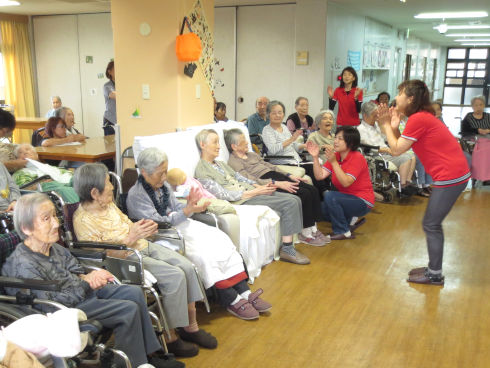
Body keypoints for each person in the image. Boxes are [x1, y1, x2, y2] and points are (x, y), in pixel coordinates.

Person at [2, 193, 181, 368]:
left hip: (80, 293)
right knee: (128, 310)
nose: (56, 224)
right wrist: (86, 283)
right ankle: (133, 363)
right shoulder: (23, 264)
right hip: (63, 310)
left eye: (55, 216)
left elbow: (75, 268)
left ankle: (147, 355)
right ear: (26, 229)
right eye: (46, 219)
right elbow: (50, 304)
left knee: (133, 291)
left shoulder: (53, 247)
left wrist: (88, 277)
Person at [72, 163, 217, 357]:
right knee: (175, 276)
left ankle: (190, 327)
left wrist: (143, 227)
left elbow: (126, 224)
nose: (113, 186)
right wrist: (130, 238)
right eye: (108, 183)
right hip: (123, 259)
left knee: (187, 266)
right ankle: (170, 337)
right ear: (94, 193)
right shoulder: (83, 220)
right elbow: (100, 254)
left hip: (140, 245)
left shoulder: (108, 205)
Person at [127, 148, 271, 320]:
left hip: (180, 224)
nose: (165, 177)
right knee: (203, 254)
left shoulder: (162, 185)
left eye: (166, 171)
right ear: (144, 172)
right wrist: (187, 211)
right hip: (162, 235)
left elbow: (175, 208)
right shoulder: (136, 195)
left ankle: (244, 292)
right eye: (160, 173)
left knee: (220, 239)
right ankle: (231, 299)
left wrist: (191, 206)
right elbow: (158, 223)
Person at [378, 79, 470, 286]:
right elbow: (405, 143)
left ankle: (435, 274)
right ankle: (432, 268)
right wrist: (393, 127)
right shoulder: (420, 117)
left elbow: (395, 150)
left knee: (431, 224)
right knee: (432, 224)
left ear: (410, 98)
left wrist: (385, 126)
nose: (397, 96)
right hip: (455, 173)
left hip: (451, 176)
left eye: (400, 93)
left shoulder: (419, 118)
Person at [194, 129, 309, 265]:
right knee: (289, 203)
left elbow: (240, 177)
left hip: (250, 191)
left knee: (295, 199)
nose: (219, 146)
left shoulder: (220, 164)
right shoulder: (202, 170)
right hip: (241, 199)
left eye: (219, 142)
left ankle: (290, 244)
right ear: (203, 145)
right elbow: (222, 194)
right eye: (215, 142)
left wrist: (259, 187)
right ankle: (287, 250)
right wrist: (255, 192)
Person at [225, 128, 328, 246]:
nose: (247, 143)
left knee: (312, 190)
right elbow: (251, 180)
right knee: (303, 193)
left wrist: (289, 175)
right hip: (267, 182)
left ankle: (313, 230)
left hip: (276, 176)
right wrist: (276, 183)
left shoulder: (252, 154)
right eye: (243, 141)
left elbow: (271, 166)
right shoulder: (233, 162)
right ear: (234, 146)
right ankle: (305, 233)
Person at [307, 126, 374, 240]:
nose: (336, 141)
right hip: (345, 199)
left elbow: (346, 183)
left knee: (330, 196)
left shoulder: (357, 157)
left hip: (362, 201)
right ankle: (348, 222)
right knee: (319, 210)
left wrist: (333, 162)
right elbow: (319, 176)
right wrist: (315, 157)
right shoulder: (336, 156)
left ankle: (342, 231)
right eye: (336, 138)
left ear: (350, 142)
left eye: (340, 139)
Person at [261, 101, 328, 193]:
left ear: (283, 114)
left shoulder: (284, 127)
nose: (277, 115)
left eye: (280, 112)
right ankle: (324, 193)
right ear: (268, 115)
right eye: (274, 113)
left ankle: (325, 192)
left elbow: (293, 146)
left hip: (295, 160)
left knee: (320, 167)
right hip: (284, 162)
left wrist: (304, 146)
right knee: (313, 168)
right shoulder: (267, 130)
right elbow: (273, 150)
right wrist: (292, 139)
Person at [357, 101, 416, 192]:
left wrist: (383, 127)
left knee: (411, 156)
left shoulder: (377, 125)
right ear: (365, 116)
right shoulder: (360, 129)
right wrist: (387, 150)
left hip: (387, 151)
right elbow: (368, 147)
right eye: (375, 115)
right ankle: (402, 186)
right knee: (405, 159)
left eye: (378, 114)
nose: (377, 117)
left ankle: (407, 183)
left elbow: (387, 138)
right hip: (376, 155)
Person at [12, 144, 78, 203]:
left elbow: (68, 173)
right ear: (17, 159)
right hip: (49, 189)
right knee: (65, 190)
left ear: (36, 155)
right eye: (20, 152)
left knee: (81, 178)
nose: (25, 152)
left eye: (27, 149)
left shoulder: (48, 167)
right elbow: (22, 190)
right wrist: (41, 183)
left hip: (64, 183)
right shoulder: (20, 174)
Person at [103, 61, 116, 136]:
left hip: (119, 121)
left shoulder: (122, 84)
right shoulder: (107, 86)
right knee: (110, 146)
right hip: (110, 121)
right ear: (109, 71)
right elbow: (113, 95)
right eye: (115, 69)